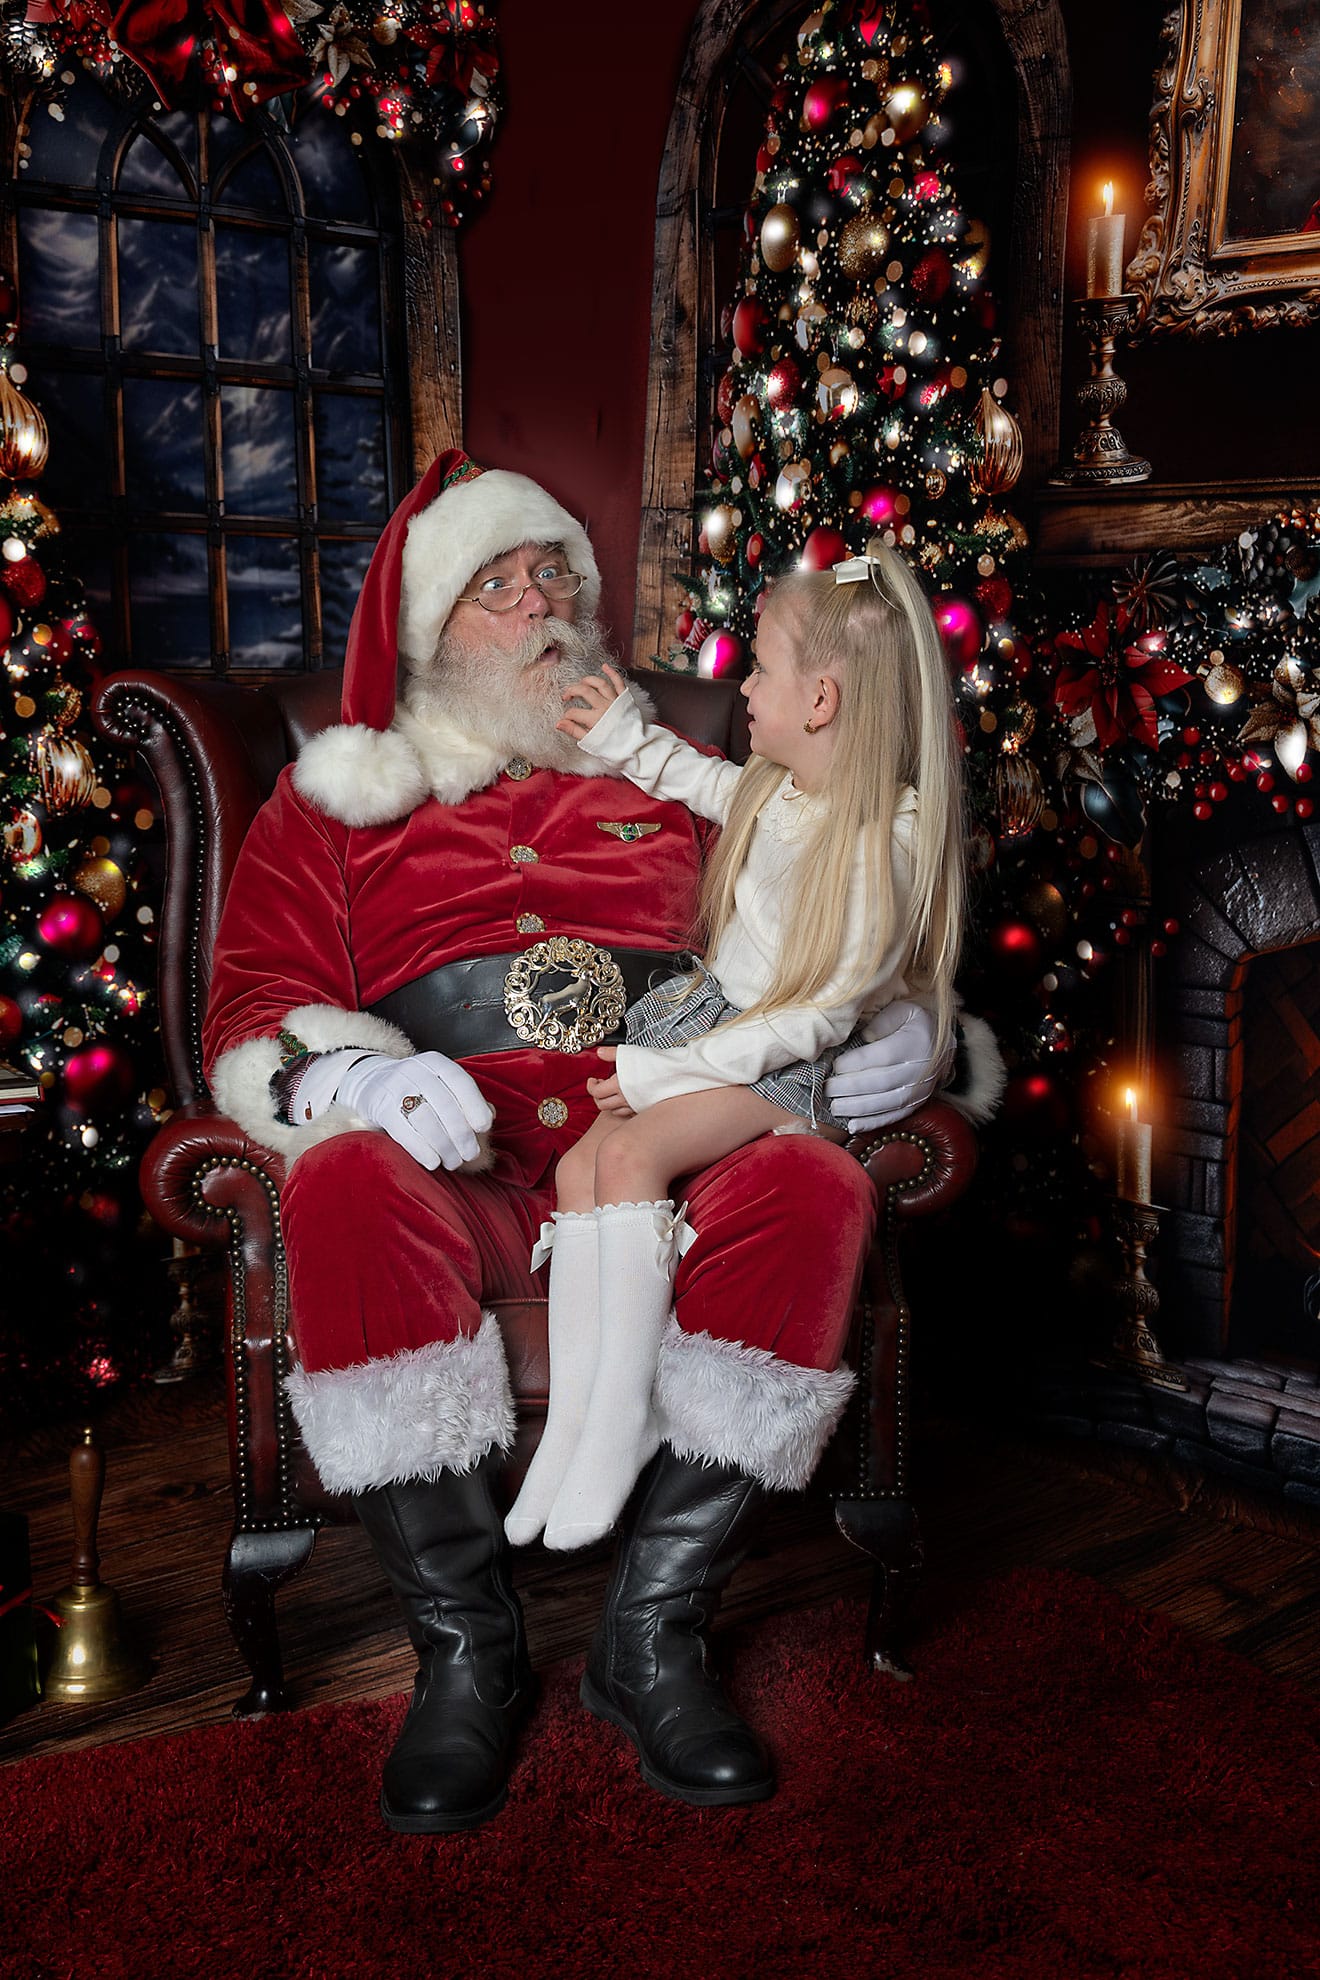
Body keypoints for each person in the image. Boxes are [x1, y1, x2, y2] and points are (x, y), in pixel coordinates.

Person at [202, 451, 1002, 1835]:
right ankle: (467, 1647)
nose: (541, 607)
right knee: (335, 1187)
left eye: (554, 575)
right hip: (460, 1173)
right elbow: (253, 1008)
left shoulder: (690, 778)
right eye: (497, 588)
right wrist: (351, 1082)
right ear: (427, 630)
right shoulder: (335, 803)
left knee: (814, 1186)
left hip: (670, 1148)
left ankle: (652, 1634)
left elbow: (839, 895)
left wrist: (913, 1034)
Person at [506, 546, 965, 1557]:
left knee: (626, 1155)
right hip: (721, 1026)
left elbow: (814, 1021)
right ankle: (576, 1423)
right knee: (581, 1162)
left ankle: (619, 1429)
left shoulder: (883, 839)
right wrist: (630, 737)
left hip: (783, 1061)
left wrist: (660, 1072)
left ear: (824, 700)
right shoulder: (782, 790)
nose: (741, 686)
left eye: (757, 668)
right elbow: (712, 784)